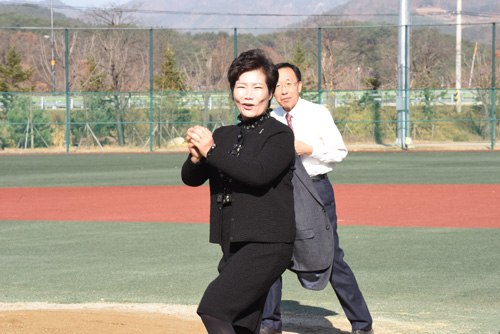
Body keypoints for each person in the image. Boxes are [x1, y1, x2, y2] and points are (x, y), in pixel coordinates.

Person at [181, 49, 296, 334]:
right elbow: (191, 179)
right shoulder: (223, 135)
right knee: (241, 324)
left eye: (257, 87)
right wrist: (196, 158)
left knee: (213, 309)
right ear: (232, 90)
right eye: (241, 86)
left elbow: (257, 174)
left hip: (268, 243)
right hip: (233, 241)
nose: (248, 94)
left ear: (270, 93)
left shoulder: (280, 135)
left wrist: (211, 151)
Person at [260, 63, 374, 334]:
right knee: (272, 254)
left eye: (288, 83)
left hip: (315, 189)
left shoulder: (318, 113)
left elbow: (339, 151)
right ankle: (269, 323)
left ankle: (362, 324)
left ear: (300, 85)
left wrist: (308, 148)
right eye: (277, 85)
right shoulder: (270, 119)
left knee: (331, 256)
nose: (283, 90)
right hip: (280, 192)